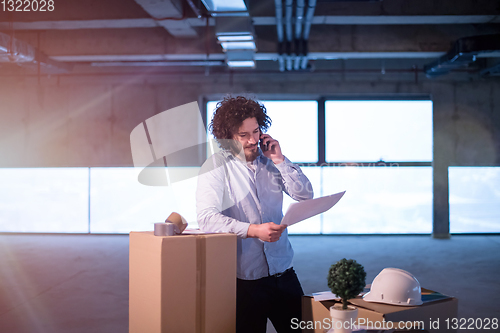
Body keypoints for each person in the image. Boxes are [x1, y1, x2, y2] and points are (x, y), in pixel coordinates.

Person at [196, 96, 313, 333]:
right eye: (243, 135)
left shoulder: (272, 161)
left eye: (256, 131)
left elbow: (305, 195)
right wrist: (253, 231)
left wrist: (280, 160)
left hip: (284, 272)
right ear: (228, 138)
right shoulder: (216, 166)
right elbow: (206, 217)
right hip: (245, 281)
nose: (252, 140)